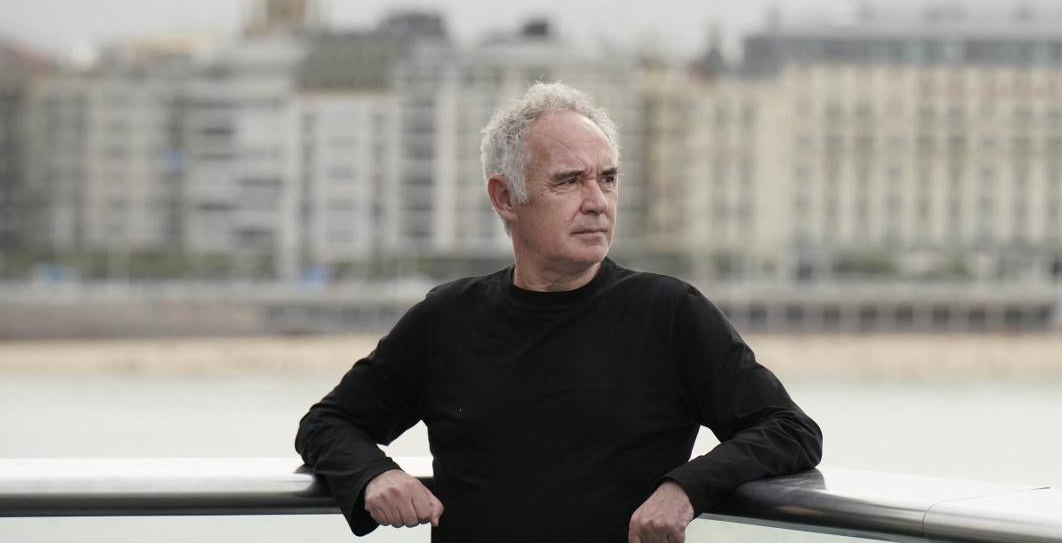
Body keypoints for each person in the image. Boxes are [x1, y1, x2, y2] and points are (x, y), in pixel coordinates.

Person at [295, 81, 821, 542]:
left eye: (608, 179)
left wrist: (684, 487)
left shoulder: (668, 313)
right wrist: (373, 475)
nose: (598, 201)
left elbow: (789, 430)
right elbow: (327, 424)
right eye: (569, 181)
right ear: (505, 198)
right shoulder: (446, 319)